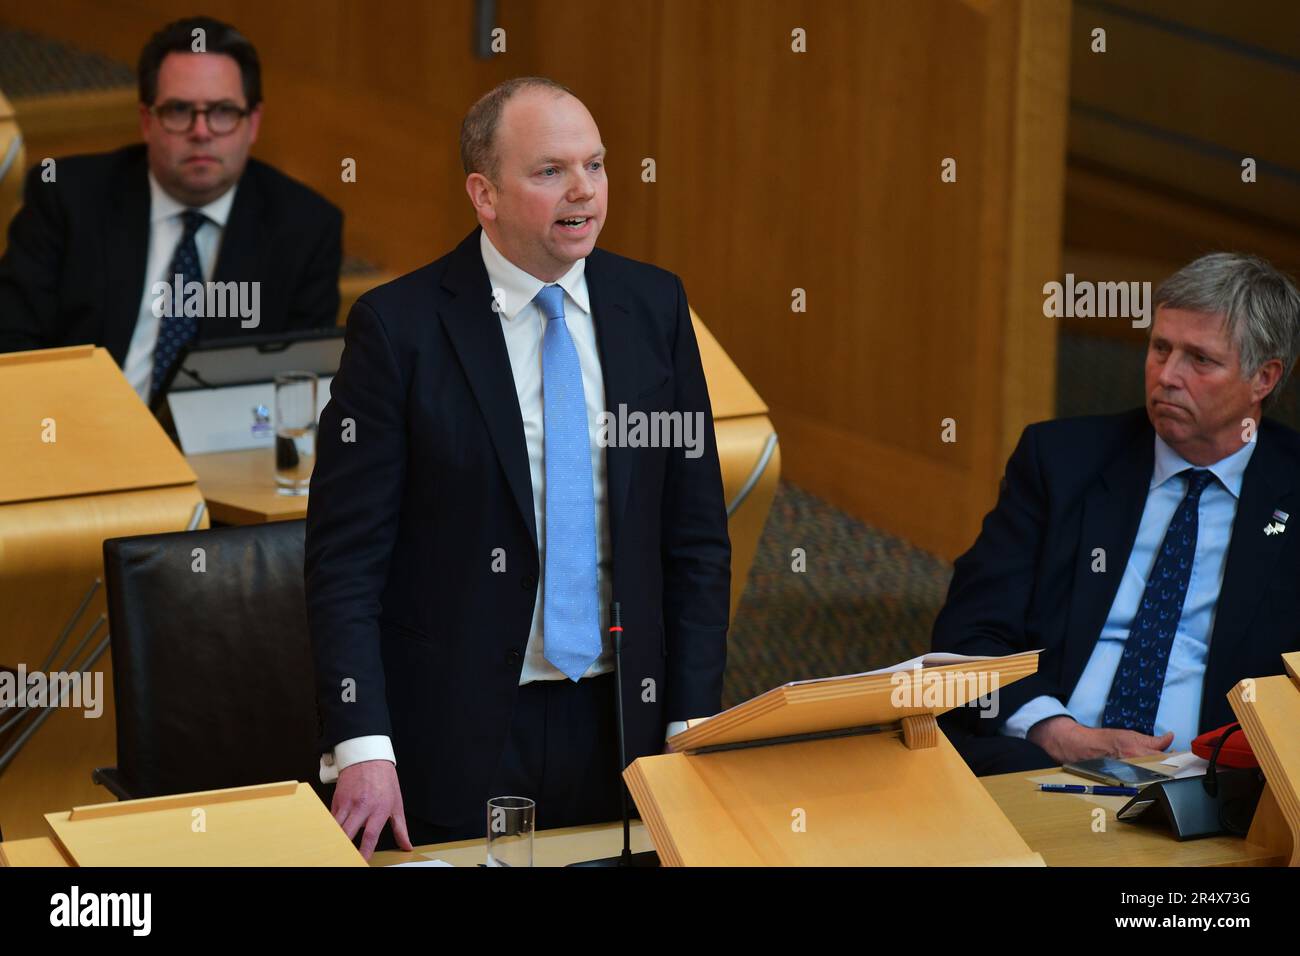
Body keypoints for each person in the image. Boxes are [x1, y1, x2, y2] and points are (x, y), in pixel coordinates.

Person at [305, 76, 731, 858]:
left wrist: (692, 717)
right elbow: (345, 562)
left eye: (596, 166)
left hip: (623, 722)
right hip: (459, 727)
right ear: (485, 193)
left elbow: (695, 536)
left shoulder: (655, 307)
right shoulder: (398, 331)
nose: (584, 191)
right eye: (550, 172)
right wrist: (363, 743)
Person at [932, 252, 1300, 776]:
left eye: (1200, 360)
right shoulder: (1061, 461)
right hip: (1035, 761)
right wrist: (1056, 733)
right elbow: (969, 636)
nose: (1167, 375)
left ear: (1262, 379)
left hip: (1221, 787)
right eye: (1160, 348)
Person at [0, 16, 342, 403]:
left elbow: (298, 384)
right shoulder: (67, 197)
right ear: (147, 121)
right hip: (82, 428)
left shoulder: (306, 227)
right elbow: (13, 344)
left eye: (223, 111)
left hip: (224, 448)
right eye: (180, 110)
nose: (201, 131)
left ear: (254, 123)